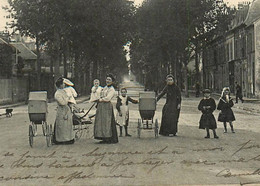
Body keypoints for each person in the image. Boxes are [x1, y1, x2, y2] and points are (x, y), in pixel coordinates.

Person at [94, 74, 118, 144]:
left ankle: (108, 137)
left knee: (107, 121)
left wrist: (100, 100)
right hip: (101, 106)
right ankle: (103, 137)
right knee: (101, 121)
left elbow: (108, 98)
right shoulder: (105, 88)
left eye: (109, 80)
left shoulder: (112, 89)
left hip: (107, 106)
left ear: (112, 81)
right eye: (107, 79)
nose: (107, 81)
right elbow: (100, 94)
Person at [53, 77, 74, 144]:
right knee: (62, 124)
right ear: (60, 85)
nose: (64, 85)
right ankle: (61, 139)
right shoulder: (57, 93)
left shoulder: (63, 91)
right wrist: (68, 98)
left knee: (67, 124)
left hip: (66, 109)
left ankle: (69, 138)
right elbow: (63, 103)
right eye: (63, 84)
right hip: (62, 110)